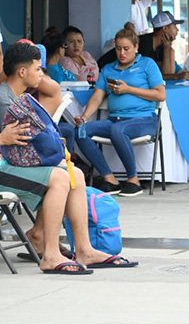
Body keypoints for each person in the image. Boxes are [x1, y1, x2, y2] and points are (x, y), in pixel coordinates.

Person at [0, 42, 137, 274]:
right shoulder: (4, 101)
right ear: (22, 72)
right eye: (37, 69)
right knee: (59, 178)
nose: (41, 74)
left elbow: (52, 90)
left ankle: (85, 250)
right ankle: (50, 255)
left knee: (75, 174)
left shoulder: (18, 95)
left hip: (9, 165)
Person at [74, 27, 166, 198]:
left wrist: (128, 89)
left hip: (144, 119)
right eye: (118, 48)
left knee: (118, 129)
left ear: (136, 47)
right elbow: (96, 97)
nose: (122, 53)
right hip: (115, 120)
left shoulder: (147, 64)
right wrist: (84, 118)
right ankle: (110, 178)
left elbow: (161, 94)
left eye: (126, 49)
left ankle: (134, 180)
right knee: (81, 131)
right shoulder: (108, 69)